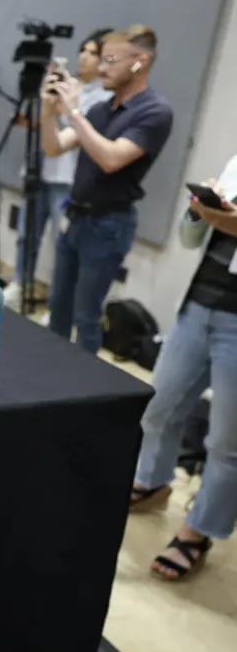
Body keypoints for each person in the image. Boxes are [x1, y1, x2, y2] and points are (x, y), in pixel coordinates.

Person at [129, 164, 237, 582]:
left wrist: (224, 219)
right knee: (160, 406)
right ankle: (153, 481)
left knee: (227, 443)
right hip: (199, 307)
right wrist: (199, 209)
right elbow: (190, 238)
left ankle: (198, 530)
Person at [42, 24, 174, 354]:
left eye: (111, 60)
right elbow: (55, 147)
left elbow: (112, 159)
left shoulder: (155, 112)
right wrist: (48, 110)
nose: (102, 68)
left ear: (140, 62)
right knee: (58, 305)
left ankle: (83, 382)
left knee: (86, 315)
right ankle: (50, 373)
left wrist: (74, 112)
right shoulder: (101, 110)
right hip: (75, 216)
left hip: (107, 225)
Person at [5, 29, 113, 309]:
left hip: (68, 178)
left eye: (93, 53)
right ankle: (20, 282)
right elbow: (49, 126)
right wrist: (35, 115)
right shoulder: (66, 84)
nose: (84, 57)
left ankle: (58, 302)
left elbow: (81, 132)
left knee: (62, 242)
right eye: (83, 51)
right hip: (38, 169)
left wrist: (66, 106)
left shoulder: (104, 97)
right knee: (26, 234)